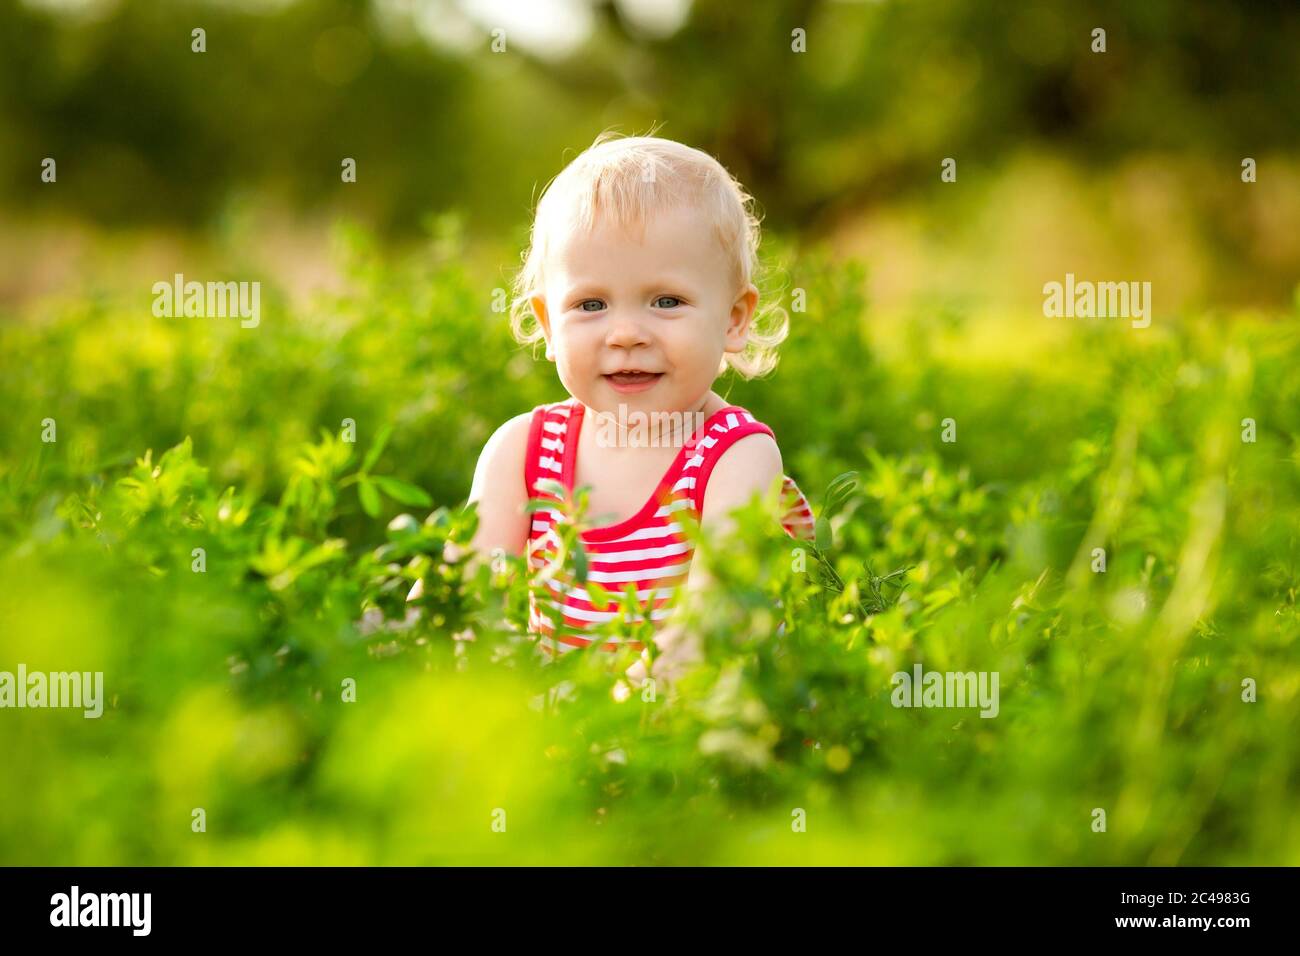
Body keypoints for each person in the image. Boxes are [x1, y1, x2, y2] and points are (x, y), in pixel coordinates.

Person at [415, 131, 814, 690]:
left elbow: (710, 628)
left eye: (666, 301)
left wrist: (609, 724)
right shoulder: (522, 452)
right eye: (591, 304)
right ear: (549, 324)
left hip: (685, 738)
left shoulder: (737, 456)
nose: (625, 334)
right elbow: (464, 605)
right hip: (551, 738)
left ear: (733, 319)